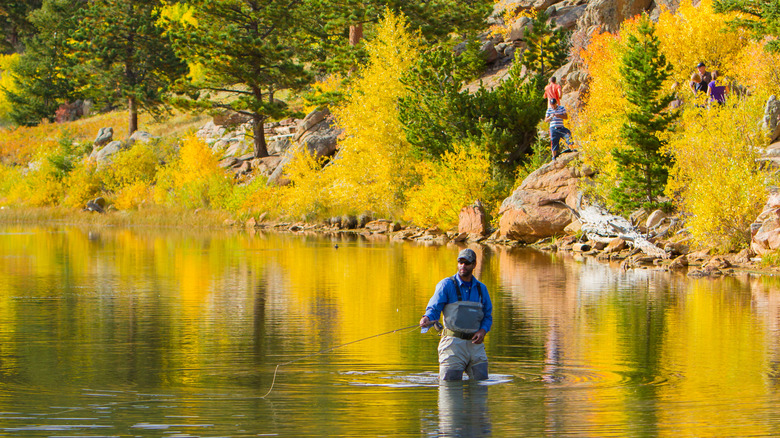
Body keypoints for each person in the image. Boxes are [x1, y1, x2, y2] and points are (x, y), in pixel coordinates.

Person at [419, 248, 493, 382]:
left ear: (474, 265)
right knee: (450, 389)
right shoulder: (446, 285)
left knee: (481, 384)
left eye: (467, 263)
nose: (463, 266)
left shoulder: (482, 289)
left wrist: (483, 330)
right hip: (452, 345)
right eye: (460, 262)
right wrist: (427, 318)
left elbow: (487, 316)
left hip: (476, 345)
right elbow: (434, 308)